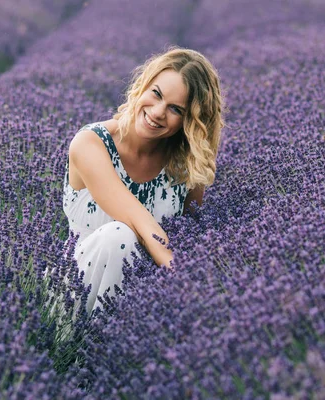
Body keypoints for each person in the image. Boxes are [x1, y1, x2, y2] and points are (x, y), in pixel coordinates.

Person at [60, 46, 226, 319]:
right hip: (72, 296)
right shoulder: (90, 143)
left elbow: (190, 235)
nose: (158, 112)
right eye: (156, 94)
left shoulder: (185, 167)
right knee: (119, 236)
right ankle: (85, 353)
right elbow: (136, 217)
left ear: (189, 122)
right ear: (144, 85)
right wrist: (187, 282)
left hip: (141, 300)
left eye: (175, 109)